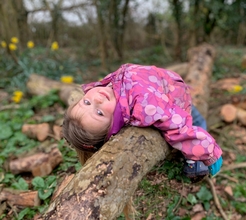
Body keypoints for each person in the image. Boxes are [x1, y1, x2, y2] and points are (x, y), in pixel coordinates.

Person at [62, 63, 223, 179]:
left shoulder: (111, 87)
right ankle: (194, 156)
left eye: (86, 102)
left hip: (168, 83)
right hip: (176, 97)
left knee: (194, 116)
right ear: (113, 127)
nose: (97, 98)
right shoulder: (144, 108)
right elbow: (178, 129)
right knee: (195, 122)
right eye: (99, 113)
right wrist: (210, 154)